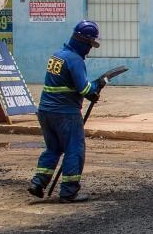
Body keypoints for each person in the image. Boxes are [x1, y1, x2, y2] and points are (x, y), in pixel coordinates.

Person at [28, 20, 103, 202]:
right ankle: (69, 191)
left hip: (46, 111)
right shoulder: (75, 60)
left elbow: (65, 84)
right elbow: (85, 88)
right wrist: (98, 84)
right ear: (83, 41)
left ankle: (38, 183)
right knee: (73, 150)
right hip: (66, 113)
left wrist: (88, 93)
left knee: (53, 148)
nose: (90, 49)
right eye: (90, 44)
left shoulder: (58, 56)